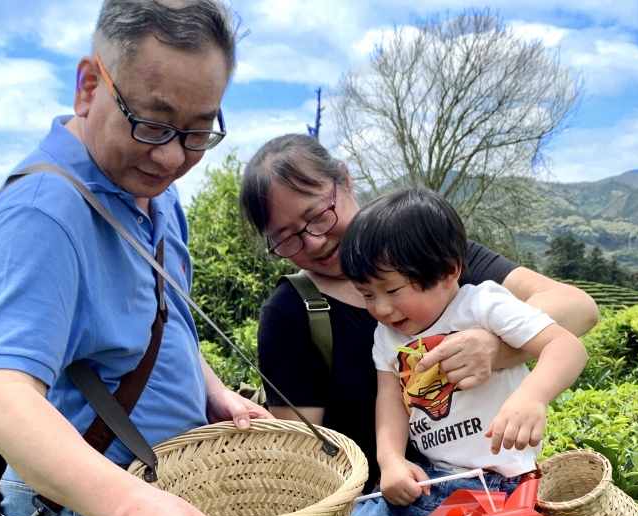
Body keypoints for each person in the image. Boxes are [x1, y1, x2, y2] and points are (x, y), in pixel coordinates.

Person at [0, 1, 269, 516]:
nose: (171, 157)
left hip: (162, 507)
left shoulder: (155, 192)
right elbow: (3, 399)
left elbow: (162, 324)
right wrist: (131, 509)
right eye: (153, 123)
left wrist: (214, 393)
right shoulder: (45, 209)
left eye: (197, 133)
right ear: (88, 84)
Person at [241, 134, 599, 489]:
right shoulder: (290, 313)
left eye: (317, 215)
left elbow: (578, 308)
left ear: (344, 180)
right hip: (381, 497)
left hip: (483, 477)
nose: (313, 241)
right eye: (287, 237)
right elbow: (302, 452)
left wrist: (494, 346)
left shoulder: (423, 250)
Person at [340, 187, 589, 516]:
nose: (381, 308)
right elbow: (389, 400)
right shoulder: (386, 335)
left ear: (448, 270)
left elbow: (567, 346)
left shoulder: (483, 306)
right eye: (368, 295)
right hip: (430, 477)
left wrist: (532, 396)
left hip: (499, 489)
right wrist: (390, 461)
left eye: (391, 290)